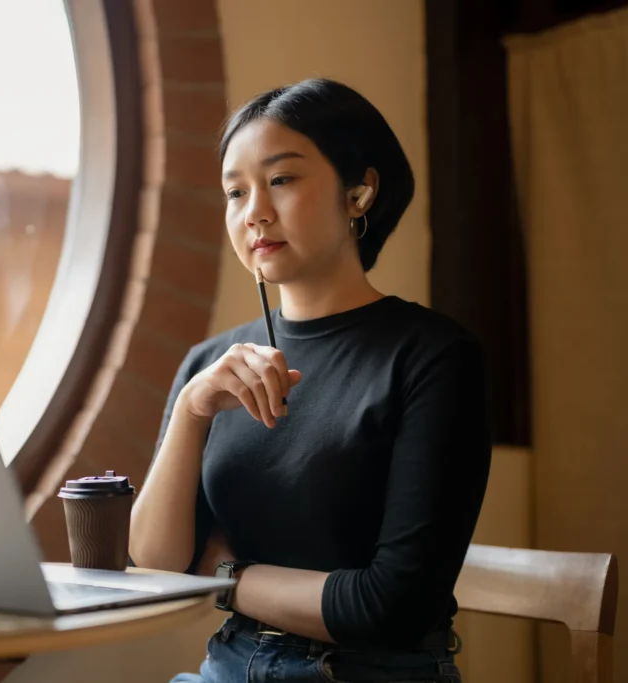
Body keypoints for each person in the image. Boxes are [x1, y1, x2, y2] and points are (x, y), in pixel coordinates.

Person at [128, 78, 491, 683]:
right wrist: (192, 409)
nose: (255, 213)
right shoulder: (209, 366)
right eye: (234, 192)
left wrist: (223, 575)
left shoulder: (434, 356)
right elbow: (156, 567)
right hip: (227, 665)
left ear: (359, 194)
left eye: (281, 180)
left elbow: (391, 606)